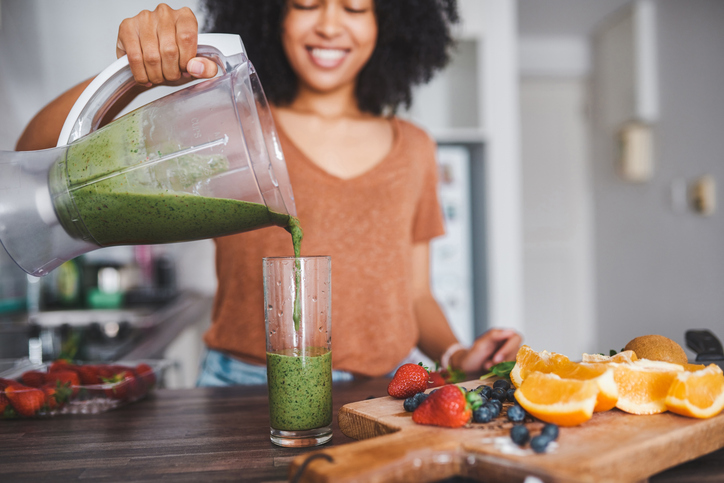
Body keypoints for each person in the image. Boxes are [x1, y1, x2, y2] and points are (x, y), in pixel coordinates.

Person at [17, 1, 522, 385]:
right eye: (305, 3)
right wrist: (137, 74)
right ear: (272, 14)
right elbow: (33, 152)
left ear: (387, 23)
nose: (328, 24)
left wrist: (457, 354)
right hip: (241, 387)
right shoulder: (226, 121)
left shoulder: (414, 147)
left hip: (388, 390)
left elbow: (415, 293)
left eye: (354, 7)